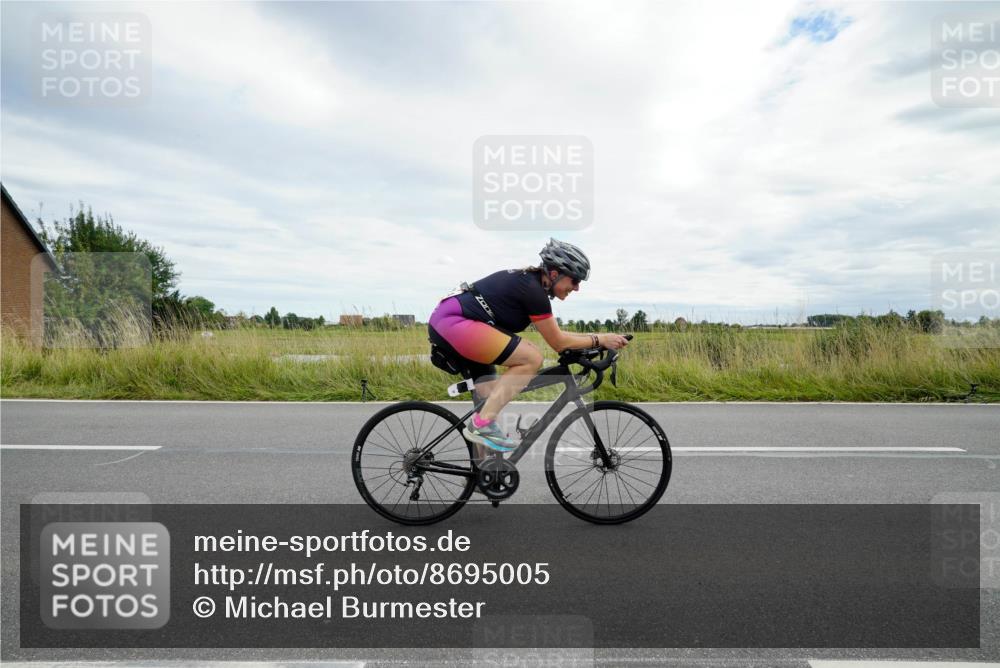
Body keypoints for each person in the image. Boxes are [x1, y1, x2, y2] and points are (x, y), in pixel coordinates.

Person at [427, 238, 630, 456]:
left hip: (454, 323)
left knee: (491, 398)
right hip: (453, 322)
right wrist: (600, 339)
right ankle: (481, 425)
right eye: (574, 280)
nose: (577, 288)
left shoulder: (531, 285)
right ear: (554, 274)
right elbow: (559, 343)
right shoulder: (531, 290)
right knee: (531, 358)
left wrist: (600, 339)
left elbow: (558, 335)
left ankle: (484, 469)